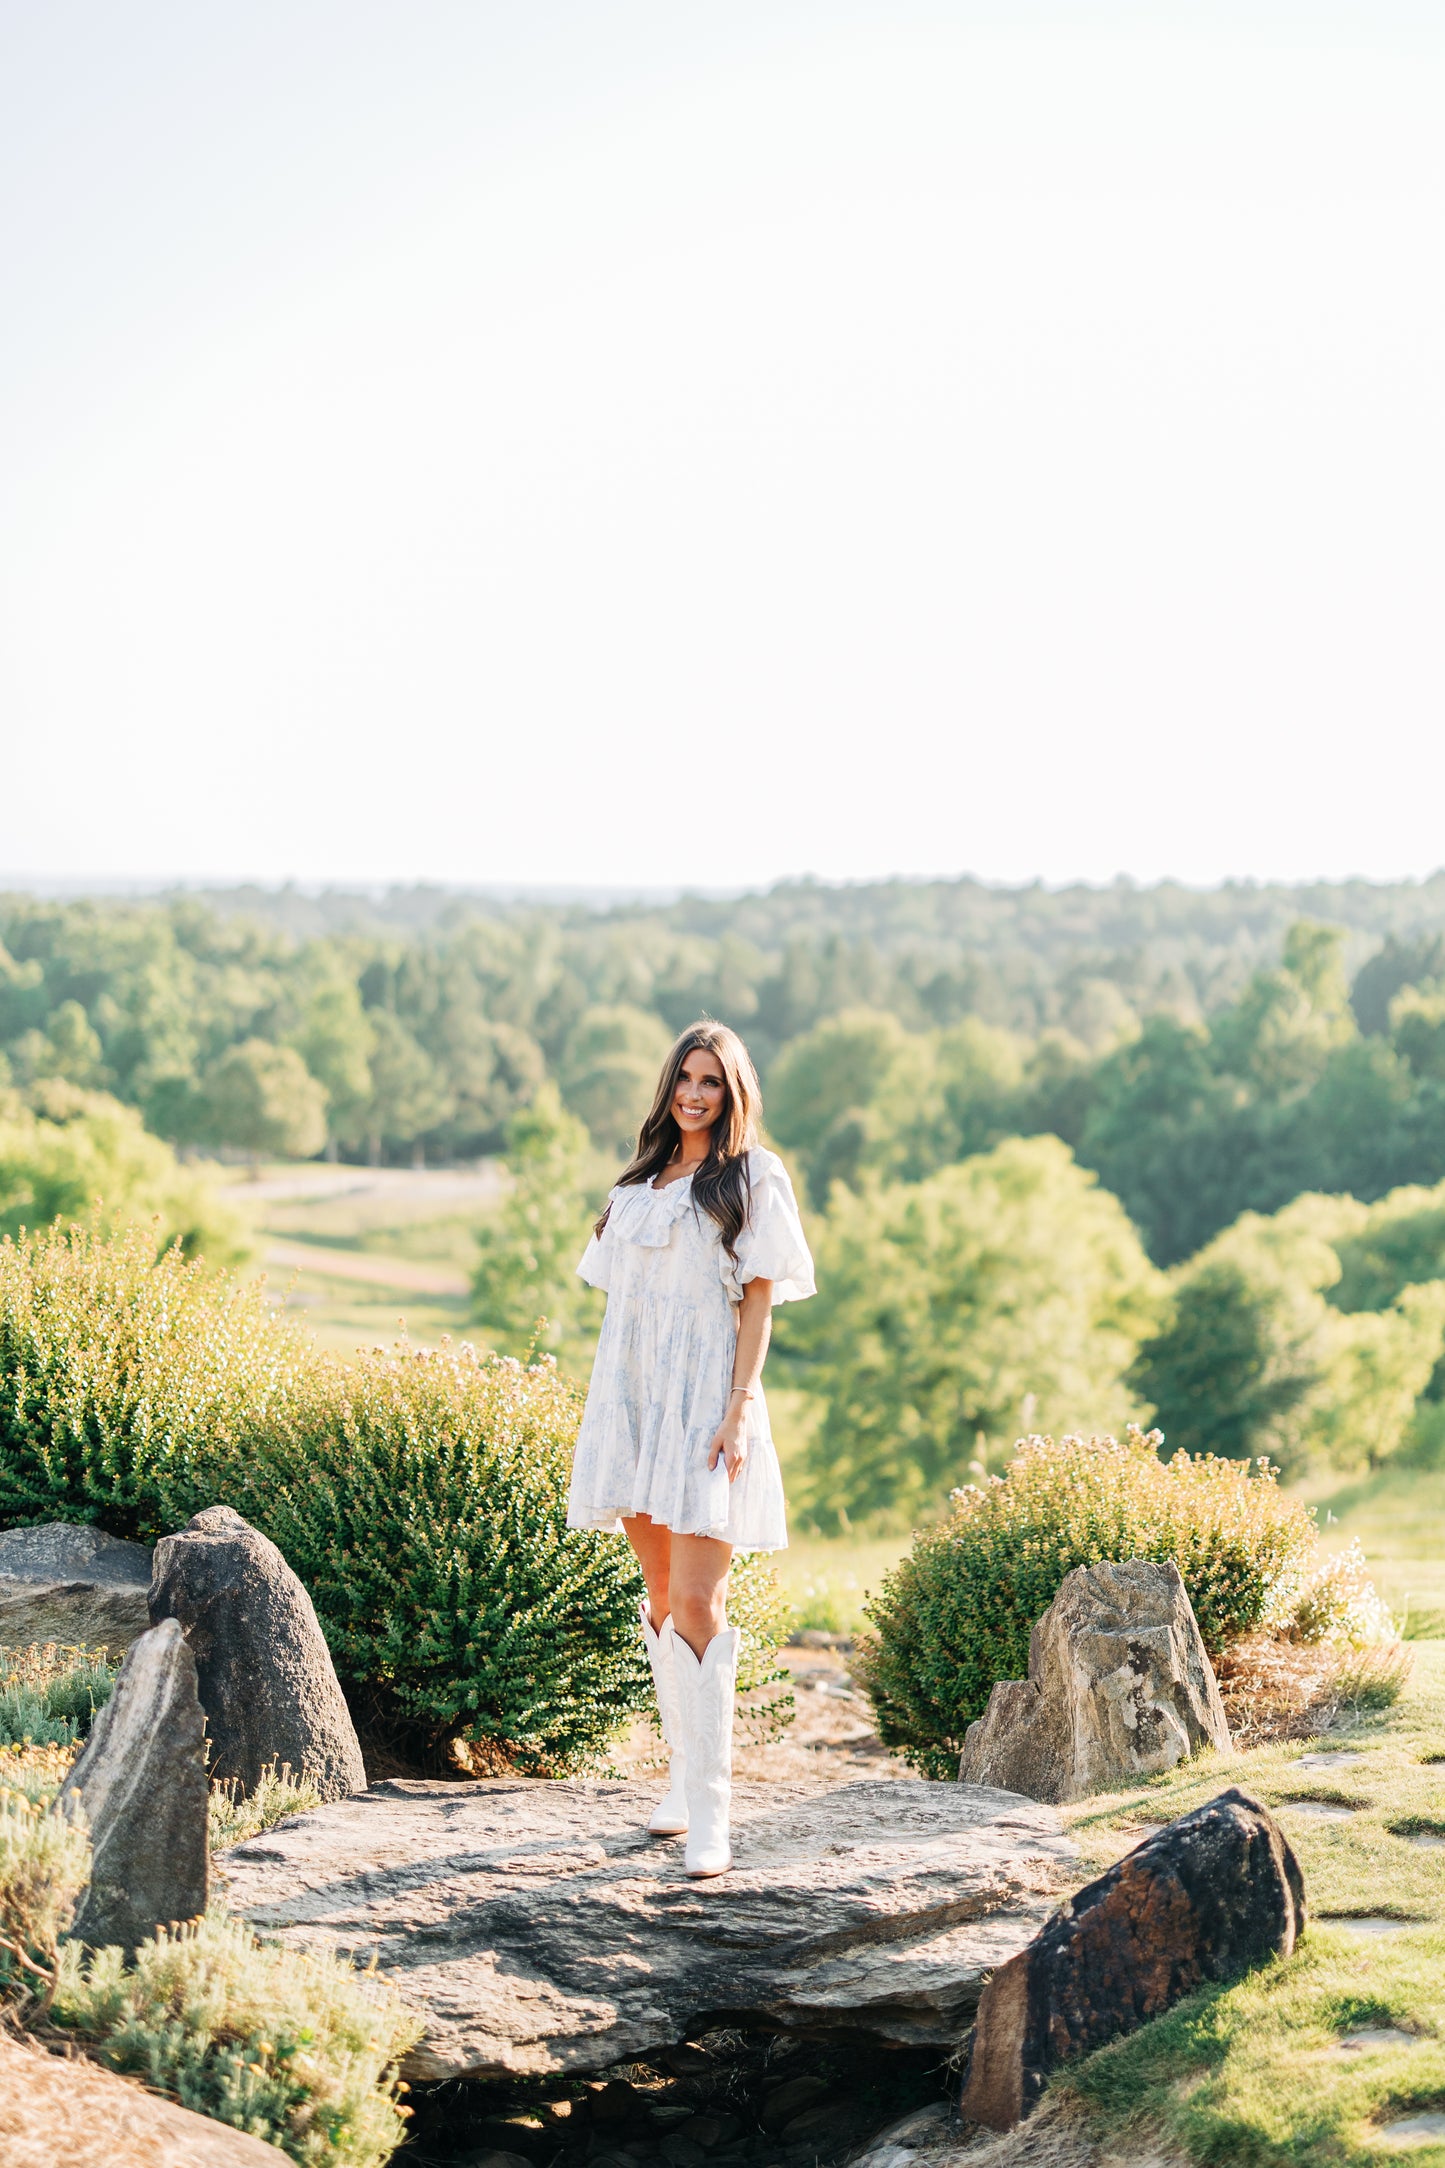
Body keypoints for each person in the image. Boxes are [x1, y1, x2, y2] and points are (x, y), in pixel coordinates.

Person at [567, 1020, 815, 1878]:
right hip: (633, 1402)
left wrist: (738, 1406)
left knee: (701, 1603)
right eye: (685, 1079)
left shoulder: (750, 1176)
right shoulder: (638, 1181)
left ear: (733, 1090)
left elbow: (759, 1299)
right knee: (662, 1596)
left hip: (707, 1400)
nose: (695, 1094)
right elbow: (617, 1303)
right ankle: (678, 1780)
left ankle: (713, 1810)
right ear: (668, 1087)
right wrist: (612, 1407)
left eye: (711, 1081)